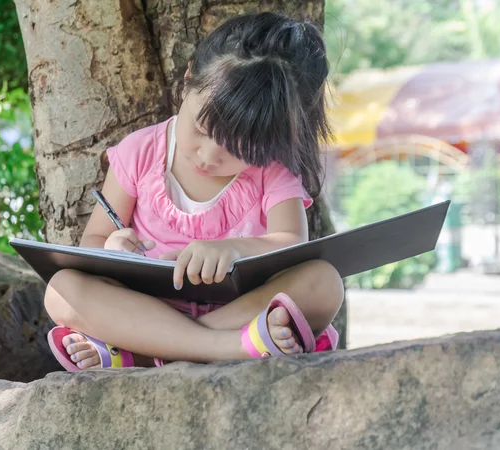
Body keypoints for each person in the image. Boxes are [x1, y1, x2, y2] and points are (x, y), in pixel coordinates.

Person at [45, 12, 344, 370]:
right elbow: (93, 240)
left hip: (238, 310)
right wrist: (112, 248)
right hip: (147, 308)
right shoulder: (140, 151)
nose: (208, 156)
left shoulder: (271, 172)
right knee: (61, 289)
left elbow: (293, 244)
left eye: (239, 149)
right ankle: (227, 346)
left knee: (324, 282)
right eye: (201, 129)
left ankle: (145, 351)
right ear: (189, 79)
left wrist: (234, 248)